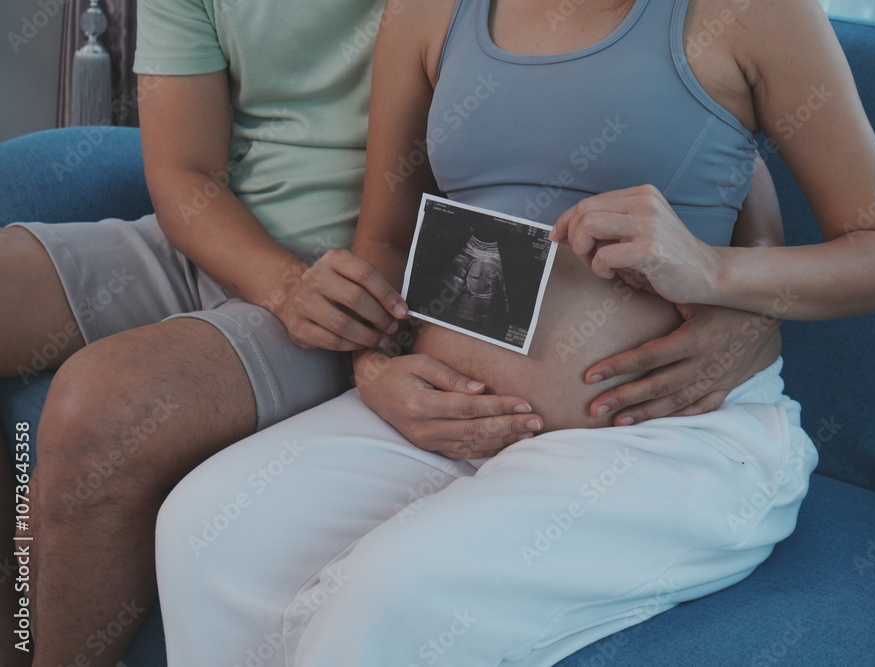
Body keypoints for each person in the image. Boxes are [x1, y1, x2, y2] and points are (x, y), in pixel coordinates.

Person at [0, 1, 786, 665]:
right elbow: (183, 173)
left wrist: (751, 294)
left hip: (378, 281)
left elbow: (679, 112)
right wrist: (281, 284)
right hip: (237, 242)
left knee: (96, 406)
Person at [153, 0, 875, 664]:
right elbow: (387, 237)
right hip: (450, 417)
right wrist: (376, 366)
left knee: (392, 596)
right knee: (203, 531)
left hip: (666, 436)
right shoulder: (427, 12)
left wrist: (713, 270)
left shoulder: (755, 15)